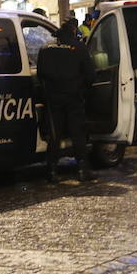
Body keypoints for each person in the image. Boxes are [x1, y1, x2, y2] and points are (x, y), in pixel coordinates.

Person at [37, 20, 97, 181]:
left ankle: (51, 171)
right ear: (73, 32)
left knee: (54, 134)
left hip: (52, 98)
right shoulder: (79, 48)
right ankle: (83, 170)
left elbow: (40, 74)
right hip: (73, 97)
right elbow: (91, 75)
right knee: (77, 133)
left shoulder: (45, 49)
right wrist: (82, 88)